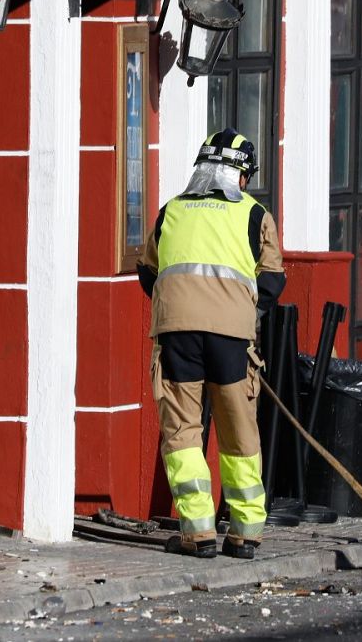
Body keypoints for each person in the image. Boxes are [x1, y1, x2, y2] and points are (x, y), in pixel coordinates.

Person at [137, 128, 286, 559]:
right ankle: (245, 532)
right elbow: (273, 282)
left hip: (176, 332)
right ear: (240, 176)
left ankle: (198, 530)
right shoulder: (255, 215)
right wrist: (238, 310)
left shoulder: (171, 212)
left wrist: (182, 303)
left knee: (182, 429)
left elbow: (148, 272)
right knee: (239, 429)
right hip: (233, 339)